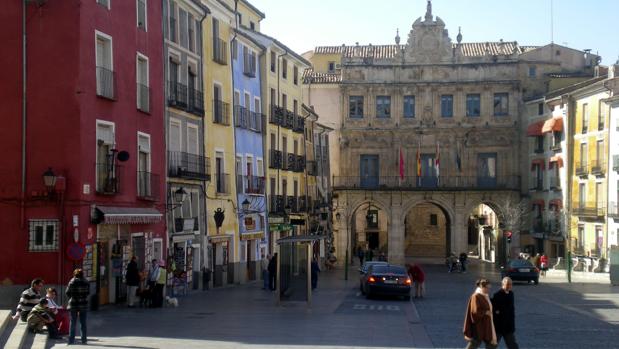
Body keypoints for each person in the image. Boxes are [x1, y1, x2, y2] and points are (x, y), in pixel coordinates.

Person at [463, 279, 497, 349]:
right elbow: (474, 311)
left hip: (486, 324)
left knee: (491, 343)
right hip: (479, 326)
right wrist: (485, 312)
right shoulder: (476, 296)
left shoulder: (484, 295)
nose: (488, 290)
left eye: (489, 288)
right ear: (482, 287)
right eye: (487, 288)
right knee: (475, 342)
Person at [491, 277, 519, 349]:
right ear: (503, 284)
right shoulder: (497, 295)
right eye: (507, 284)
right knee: (492, 346)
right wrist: (497, 312)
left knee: (513, 345)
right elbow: (494, 309)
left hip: (508, 326)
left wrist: (512, 325)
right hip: (498, 326)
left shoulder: (511, 294)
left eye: (511, 284)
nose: (509, 286)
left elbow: (511, 310)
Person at [66, 268, 90, 345]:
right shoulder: (86, 282)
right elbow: (88, 292)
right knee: (83, 323)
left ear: (74, 274)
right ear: (82, 274)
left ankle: (71, 340)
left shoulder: (72, 282)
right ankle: (84, 340)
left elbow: (67, 292)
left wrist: (72, 297)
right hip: (83, 304)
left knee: (73, 322)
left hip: (73, 303)